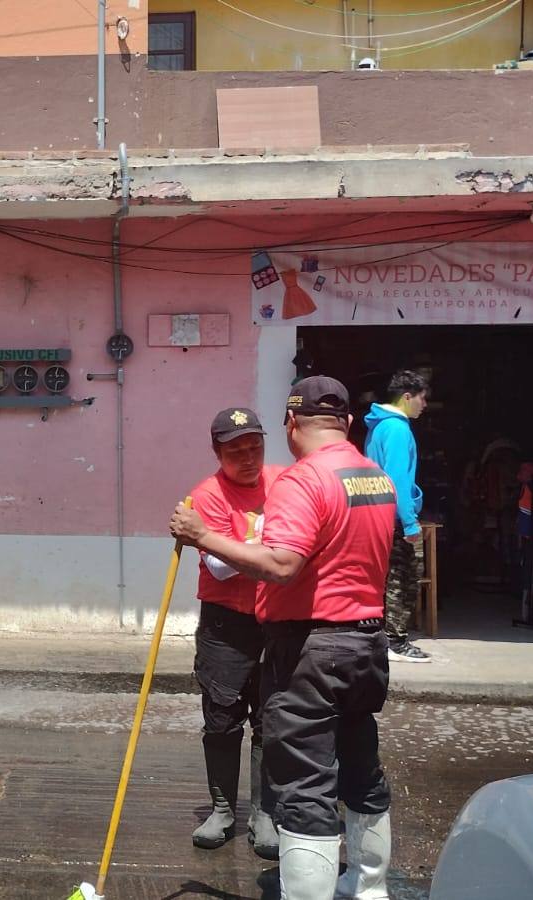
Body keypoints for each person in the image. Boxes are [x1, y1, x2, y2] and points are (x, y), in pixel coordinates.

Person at [170, 376, 396, 900]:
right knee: (361, 768)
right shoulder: (373, 476)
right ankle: (368, 888)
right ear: (350, 423)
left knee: (305, 784)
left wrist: (202, 535)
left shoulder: (302, 479)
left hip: (313, 648)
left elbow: (282, 564)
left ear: (291, 425)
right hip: (366, 642)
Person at [187, 407, 284, 858]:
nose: (249, 459)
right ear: (216, 452)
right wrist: (271, 548)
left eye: (255, 448)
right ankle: (223, 808)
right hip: (226, 626)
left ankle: (265, 814)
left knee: (272, 722)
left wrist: (245, 546)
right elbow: (221, 567)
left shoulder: (284, 483)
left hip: (277, 622)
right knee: (222, 721)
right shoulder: (206, 496)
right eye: (236, 452)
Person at [364, 369, 432, 663]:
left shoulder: (379, 426)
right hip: (393, 517)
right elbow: (397, 479)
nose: (424, 405)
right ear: (407, 397)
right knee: (403, 579)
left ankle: (386, 637)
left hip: (378, 513)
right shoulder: (397, 429)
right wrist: (409, 522)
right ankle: (396, 640)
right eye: (422, 398)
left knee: (387, 576)